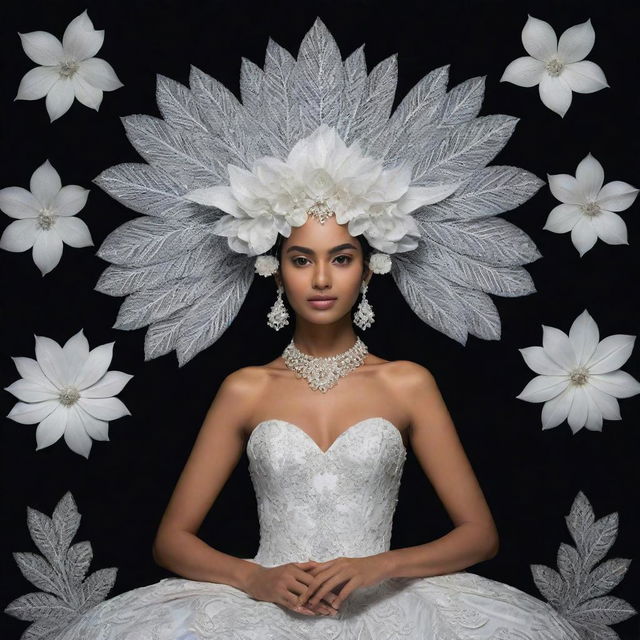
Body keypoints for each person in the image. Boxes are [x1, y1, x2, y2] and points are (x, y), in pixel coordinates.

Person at [52, 17, 584, 639]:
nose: (322, 278)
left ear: (368, 268)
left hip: (389, 606)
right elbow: (172, 541)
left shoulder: (408, 384)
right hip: (262, 607)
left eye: (341, 257)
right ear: (277, 271)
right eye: (302, 259)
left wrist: (379, 566)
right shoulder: (244, 389)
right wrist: (256, 578)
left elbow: (480, 535)